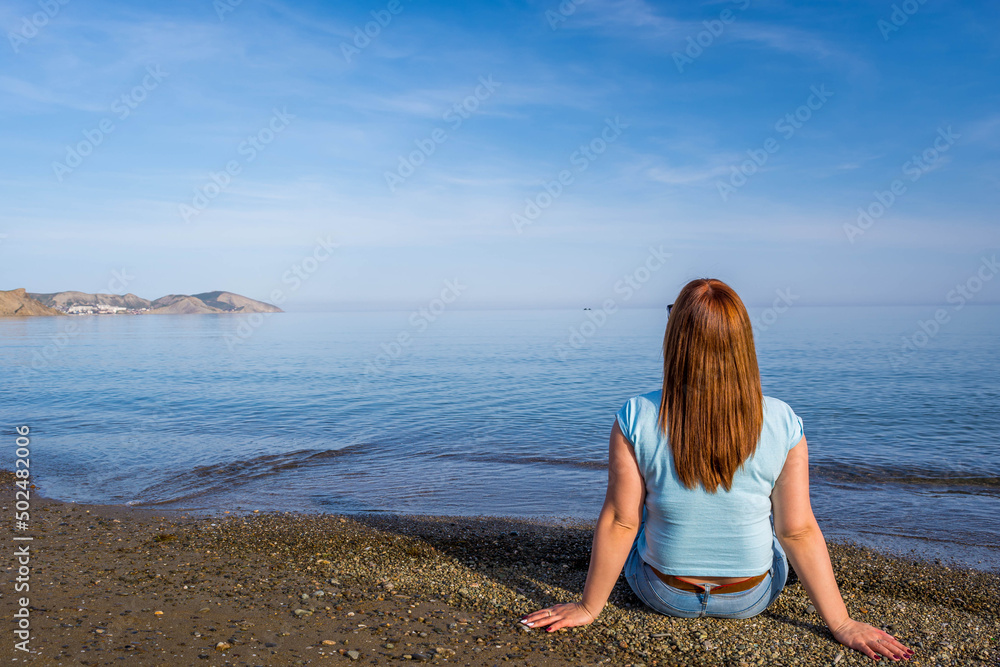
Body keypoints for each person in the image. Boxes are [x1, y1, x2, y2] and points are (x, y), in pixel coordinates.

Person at [521, 278, 913, 662]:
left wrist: (590, 608)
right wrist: (841, 623)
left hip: (663, 593)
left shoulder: (636, 415)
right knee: (775, 536)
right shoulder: (781, 420)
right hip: (749, 598)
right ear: (742, 340)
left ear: (676, 338)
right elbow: (798, 530)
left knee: (639, 523)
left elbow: (621, 521)